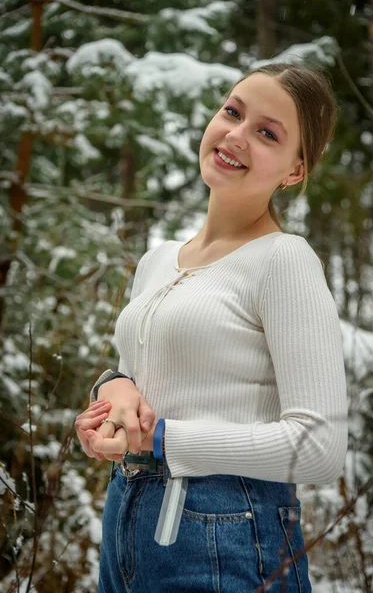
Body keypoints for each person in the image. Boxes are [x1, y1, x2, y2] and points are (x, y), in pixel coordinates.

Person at [75, 62, 348, 592]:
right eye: (233, 111)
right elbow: (144, 376)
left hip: (225, 531)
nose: (236, 135)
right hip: (129, 515)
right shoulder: (157, 260)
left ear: (294, 170)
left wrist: (160, 438)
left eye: (267, 133)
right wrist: (113, 392)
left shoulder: (284, 260)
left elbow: (319, 446)